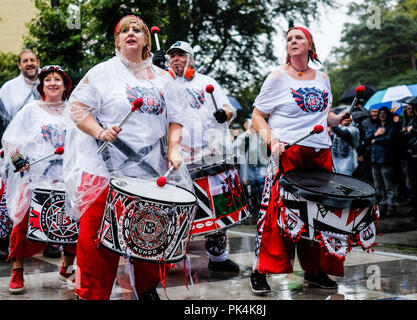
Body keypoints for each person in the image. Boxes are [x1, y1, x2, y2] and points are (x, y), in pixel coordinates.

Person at [65, 15, 190, 300]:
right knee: (95, 241)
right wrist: (98, 131)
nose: (130, 33)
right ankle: (92, 295)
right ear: (117, 40)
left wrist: (173, 148)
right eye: (124, 31)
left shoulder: (163, 79)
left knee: (150, 234)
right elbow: (78, 109)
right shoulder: (101, 72)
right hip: (103, 171)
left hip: (148, 173)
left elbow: (176, 118)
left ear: (146, 40)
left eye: (137, 30)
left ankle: (147, 290)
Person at [250, 26, 353, 295]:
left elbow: (325, 115)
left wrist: (338, 118)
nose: (293, 42)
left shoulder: (323, 78)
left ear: (310, 46)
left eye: (299, 38)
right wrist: (272, 140)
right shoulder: (277, 77)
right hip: (288, 152)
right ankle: (260, 270)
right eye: (289, 39)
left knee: (319, 214)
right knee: (278, 213)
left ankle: (315, 270)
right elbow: (257, 116)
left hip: (320, 151)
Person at [1, 65, 77, 294]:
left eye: (57, 80)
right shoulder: (31, 110)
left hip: (65, 179)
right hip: (35, 179)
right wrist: (17, 157)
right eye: (48, 80)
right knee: (22, 226)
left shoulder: (74, 111)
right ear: (42, 86)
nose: (52, 83)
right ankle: (18, 271)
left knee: (72, 225)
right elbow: (10, 139)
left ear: (65, 86)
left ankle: (67, 266)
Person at [166, 40, 240, 272]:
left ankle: (218, 258)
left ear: (192, 59)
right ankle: (169, 255)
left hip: (209, 156)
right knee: (175, 210)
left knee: (217, 209)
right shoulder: (163, 82)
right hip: (177, 159)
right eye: (173, 56)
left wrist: (223, 114)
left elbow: (230, 110)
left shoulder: (208, 82)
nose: (176, 59)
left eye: (181, 55)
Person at [233, 118, 269, 219]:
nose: (254, 128)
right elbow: (235, 148)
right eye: (252, 126)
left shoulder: (262, 135)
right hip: (249, 169)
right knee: (252, 188)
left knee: (262, 187)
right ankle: (253, 209)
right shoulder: (245, 136)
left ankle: (261, 207)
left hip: (262, 167)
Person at [365, 106, 397, 216]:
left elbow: (389, 139)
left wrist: (375, 140)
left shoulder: (392, 126)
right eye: (380, 113)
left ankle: (391, 205)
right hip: (375, 160)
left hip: (387, 160)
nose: (382, 115)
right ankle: (382, 205)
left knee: (389, 185)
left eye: (384, 113)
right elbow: (367, 137)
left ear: (388, 115)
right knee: (378, 185)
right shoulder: (375, 126)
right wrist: (376, 134)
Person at [330, 109, 360, 176]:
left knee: (345, 179)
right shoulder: (338, 127)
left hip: (347, 160)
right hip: (335, 158)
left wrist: (332, 122)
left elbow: (342, 133)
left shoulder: (354, 129)